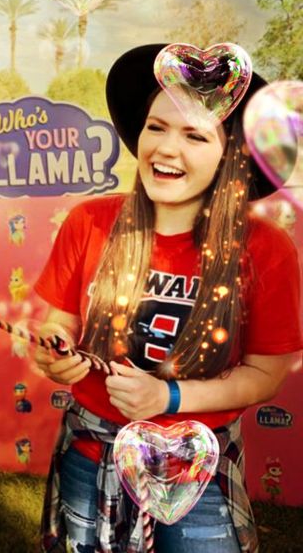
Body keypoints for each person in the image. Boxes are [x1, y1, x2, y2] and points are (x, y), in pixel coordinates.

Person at [33, 44, 302, 553]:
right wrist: (53, 348)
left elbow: (265, 375)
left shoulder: (265, 249)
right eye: (156, 127)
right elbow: (58, 323)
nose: (165, 149)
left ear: (231, 156)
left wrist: (169, 399)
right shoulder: (88, 223)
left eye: (195, 135)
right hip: (91, 452)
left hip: (197, 466)